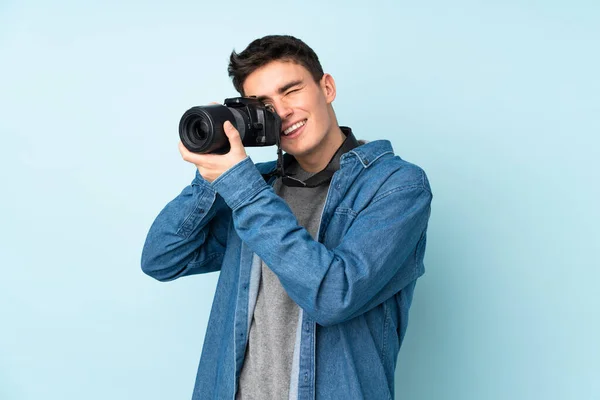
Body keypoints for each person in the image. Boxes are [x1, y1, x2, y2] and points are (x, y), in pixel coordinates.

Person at [141, 34, 433, 400]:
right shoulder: (255, 185)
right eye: (264, 104)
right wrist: (209, 174)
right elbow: (162, 258)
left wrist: (241, 185)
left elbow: (334, 296)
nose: (282, 112)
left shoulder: (396, 185)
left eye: (291, 91)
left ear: (326, 87)